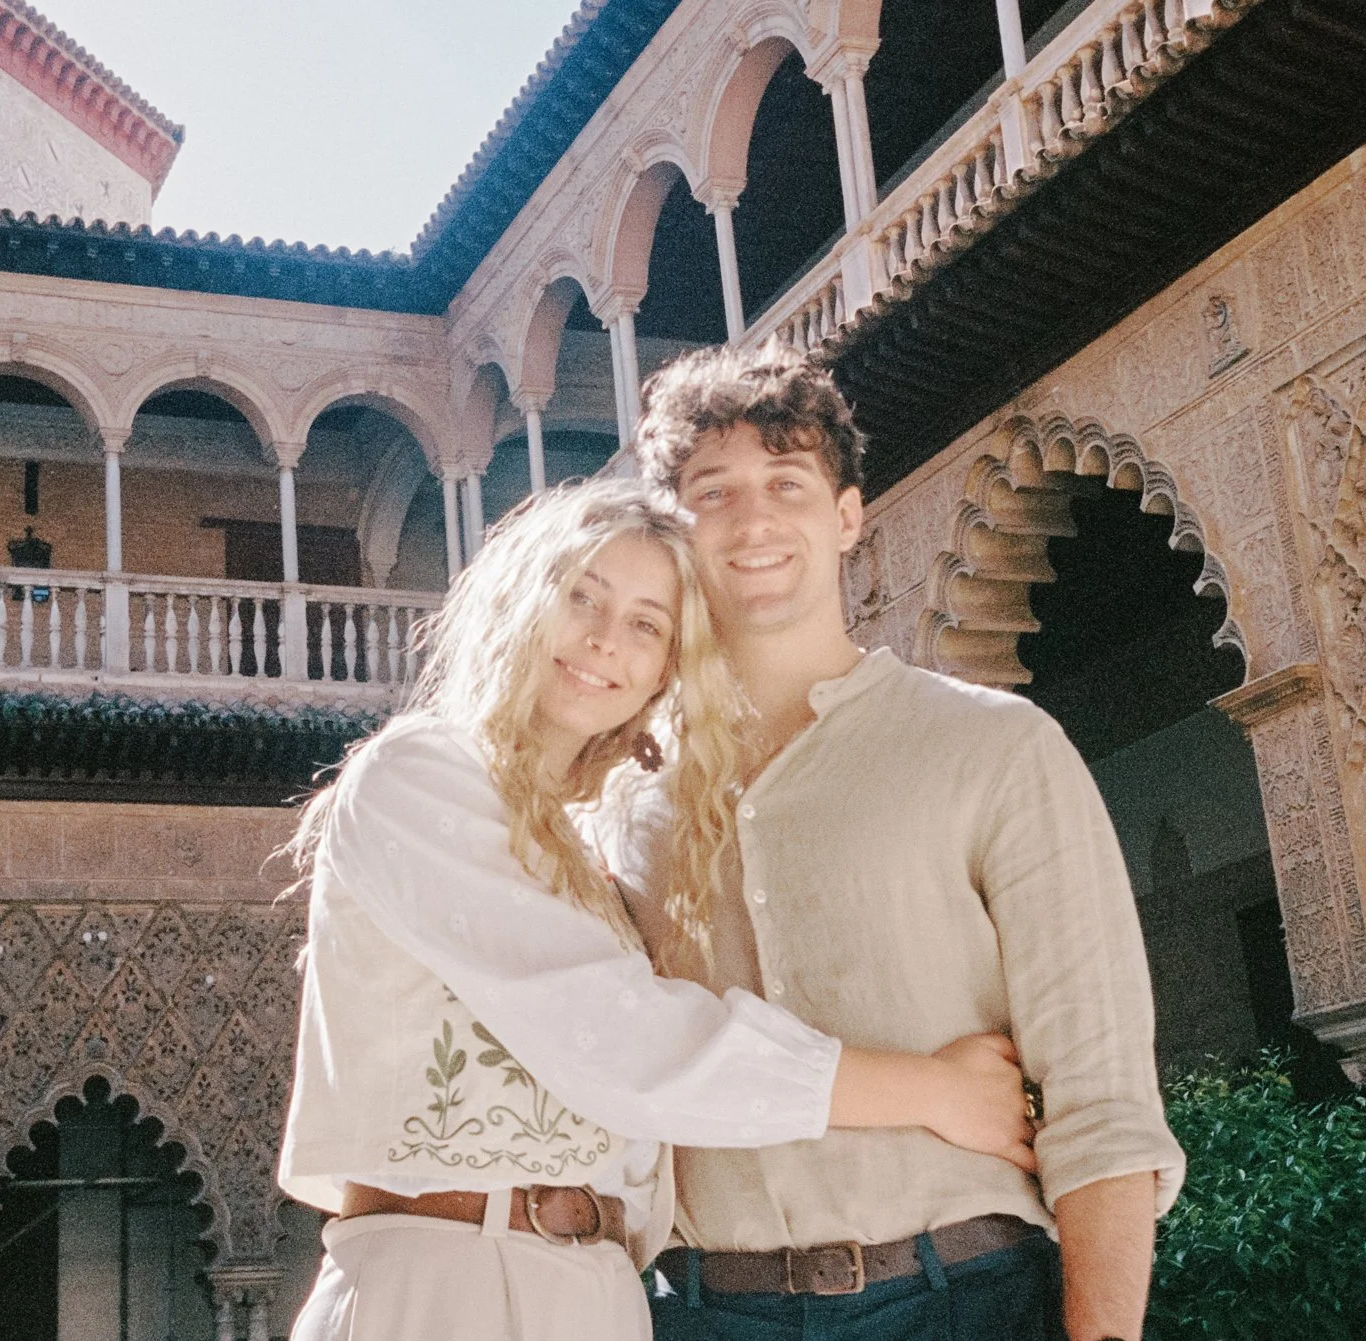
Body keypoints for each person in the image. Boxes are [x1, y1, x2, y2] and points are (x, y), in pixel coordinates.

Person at [277, 479, 1036, 1341]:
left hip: (603, 1294)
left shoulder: (585, 856)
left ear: (669, 670)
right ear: (520, 600)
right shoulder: (421, 776)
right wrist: (932, 1090)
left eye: (648, 624)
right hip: (448, 1284)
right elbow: (625, 1039)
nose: (606, 640)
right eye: (582, 598)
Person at [599, 345, 1188, 1341]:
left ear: (843, 517)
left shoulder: (993, 748)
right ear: (672, 532)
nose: (751, 522)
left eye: (786, 483)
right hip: (698, 1312)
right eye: (713, 493)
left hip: (965, 1299)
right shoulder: (621, 803)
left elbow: (1101, 1104)